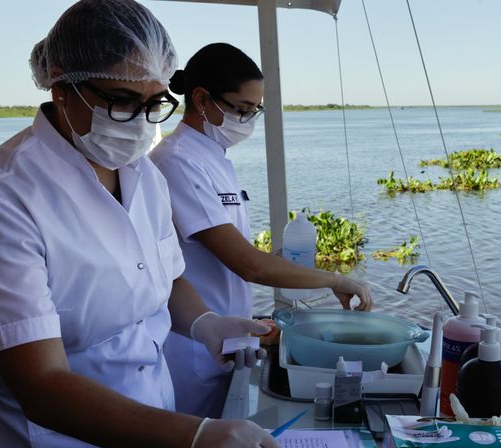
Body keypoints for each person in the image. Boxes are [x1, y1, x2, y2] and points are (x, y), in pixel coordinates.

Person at [0, 2, 294, 448]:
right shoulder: (0, 201)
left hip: (147, 437)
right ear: (62, 88)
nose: (141, 122)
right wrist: (194, 436)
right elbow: (42, 385)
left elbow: (166, 276)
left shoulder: (143, 175)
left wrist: (206, 323)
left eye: (154, 103)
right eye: (123, 100)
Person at [149, 43, 373, 418]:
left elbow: (227, 254)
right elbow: (248, 265)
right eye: (241, 109)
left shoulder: (213, 158)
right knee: (197, 444)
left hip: (228, 337)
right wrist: (334, 279)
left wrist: (284, 264)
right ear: (201, 99)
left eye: (255, 110)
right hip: (194, 346)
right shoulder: (177, 161)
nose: (248, 120)